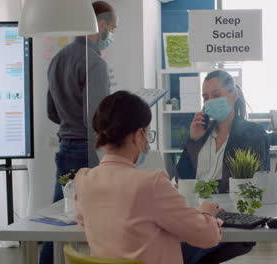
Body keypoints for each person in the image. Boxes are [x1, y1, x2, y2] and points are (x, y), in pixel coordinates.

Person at [73, 90, 223, 264]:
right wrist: (206, 213)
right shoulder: (152, 183)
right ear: (138, 136)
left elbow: (89, 220)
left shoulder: (83, 179)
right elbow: (208, 237)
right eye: (147, 132)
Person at [41, 2, 117, 263]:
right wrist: (105, 163)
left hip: (65, 149)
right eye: (113, 28)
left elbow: (51, 112)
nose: (112, 35)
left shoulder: (59, 58)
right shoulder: (94, 62)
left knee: (58, 224)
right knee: (95, 223)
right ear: (103, 25)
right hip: (86, 152)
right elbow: (95, 121)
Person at [176, 70, 270, 264]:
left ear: (233, 95)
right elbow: (182, 178)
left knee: (180, 252)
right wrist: (193, 140)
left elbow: (249, 185)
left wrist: (204, 191)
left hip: (229, 218)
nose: (209, 101)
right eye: (205, 97)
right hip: (197, 215)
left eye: (216, 95)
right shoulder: (201, 133)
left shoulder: (252, 134)